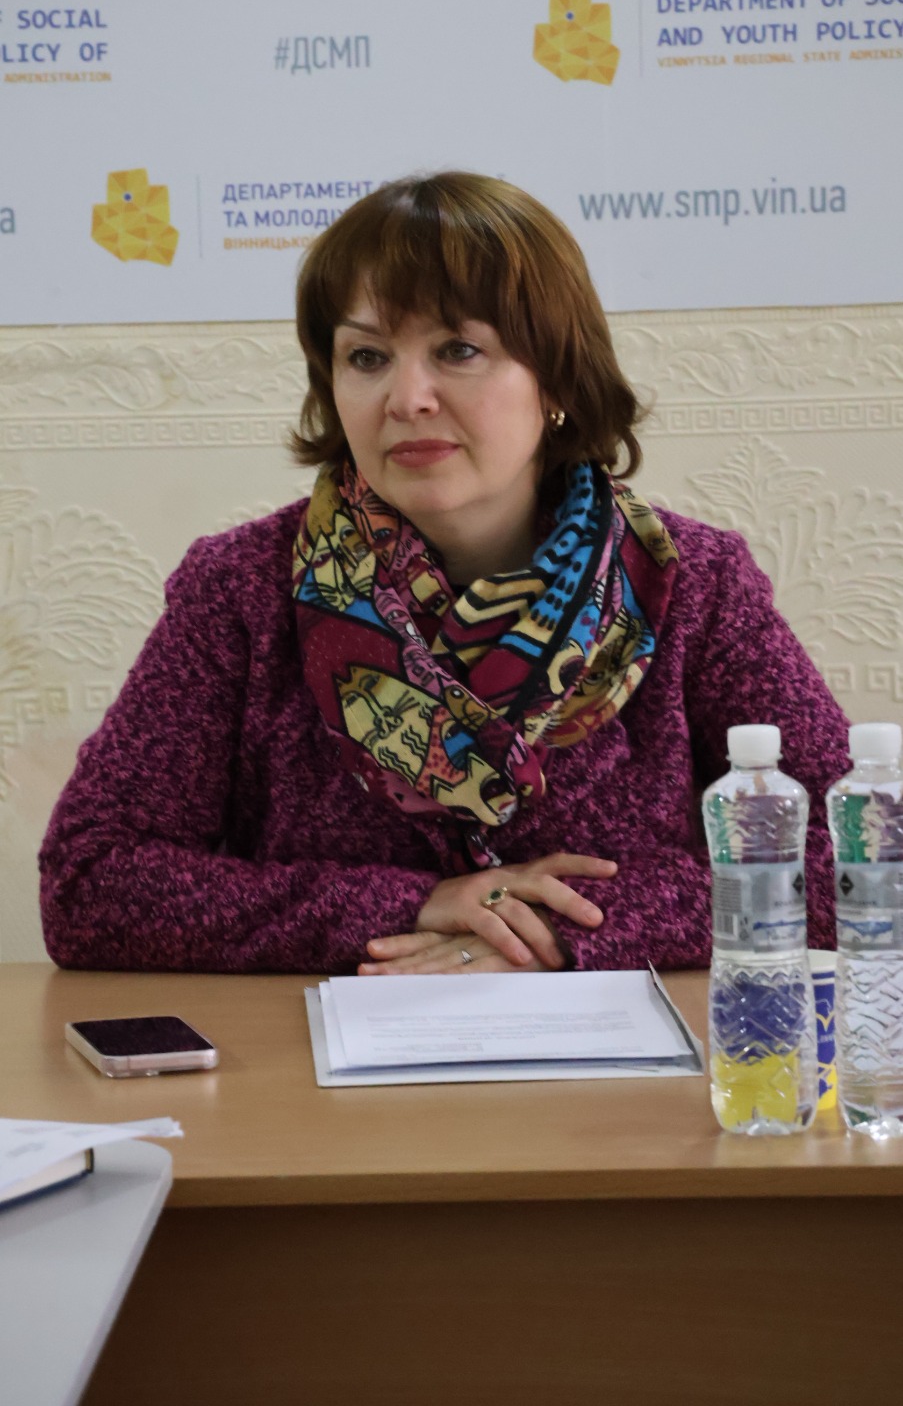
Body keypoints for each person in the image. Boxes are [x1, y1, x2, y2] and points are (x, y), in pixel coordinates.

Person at [40, 172, 850, 976]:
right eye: (366, 356)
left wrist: (553, 927)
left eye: (458, 349)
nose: (407, 398)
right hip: (314, 1051)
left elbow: (856, 862)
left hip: (624, 1053)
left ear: (556, 377)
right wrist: (415, 906)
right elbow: (90, 880)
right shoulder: (243, 587)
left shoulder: (694, 584)